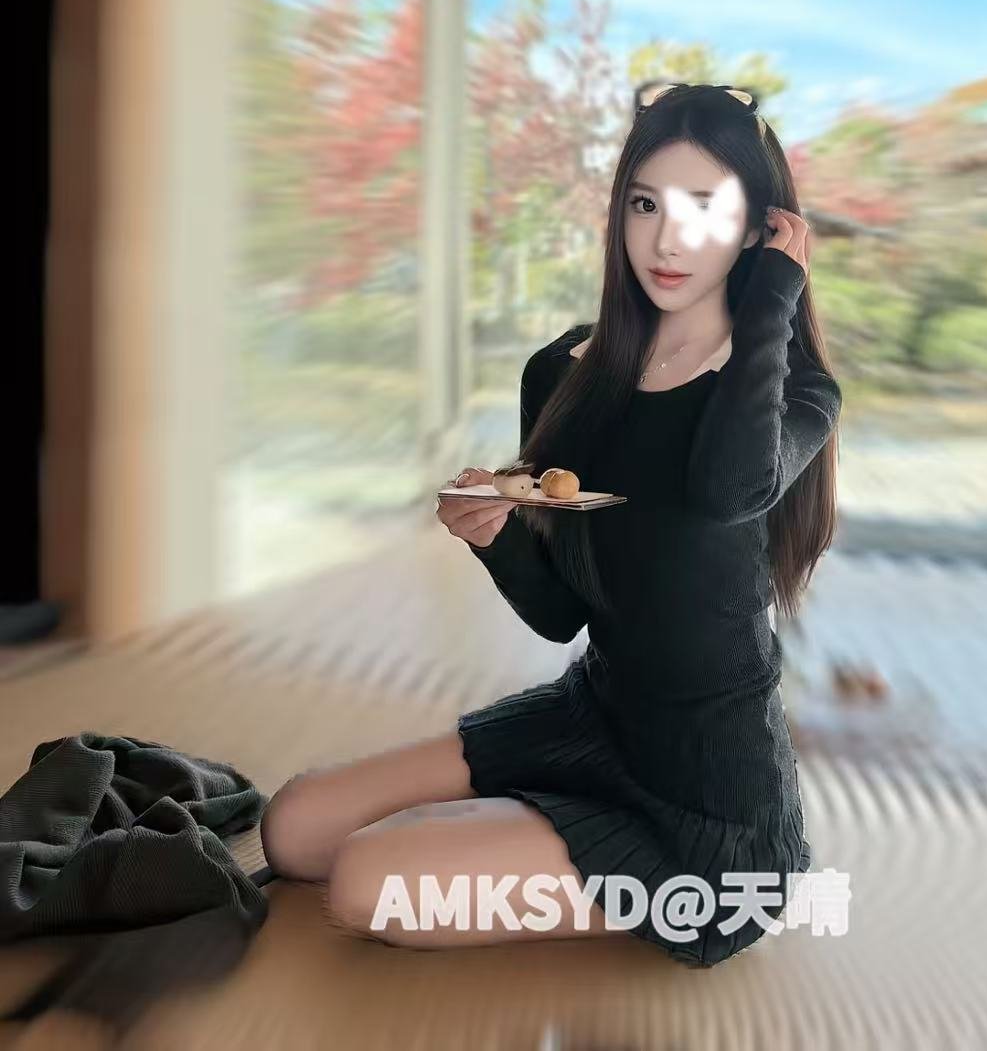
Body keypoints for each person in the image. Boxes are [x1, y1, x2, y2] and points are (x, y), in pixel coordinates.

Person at [259, 81, 843, 966]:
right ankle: (537, 825)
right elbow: (563, 612)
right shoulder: (565, 371)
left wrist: (772, 302)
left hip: (711, 815)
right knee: (295, 826)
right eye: (644, 203)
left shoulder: (794, 391)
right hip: (591, 718)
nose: (667, 238)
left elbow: (730, 488)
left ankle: (622, 866)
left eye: (703, 206)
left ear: (762, 228)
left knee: (366, 878)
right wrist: (492, 534)